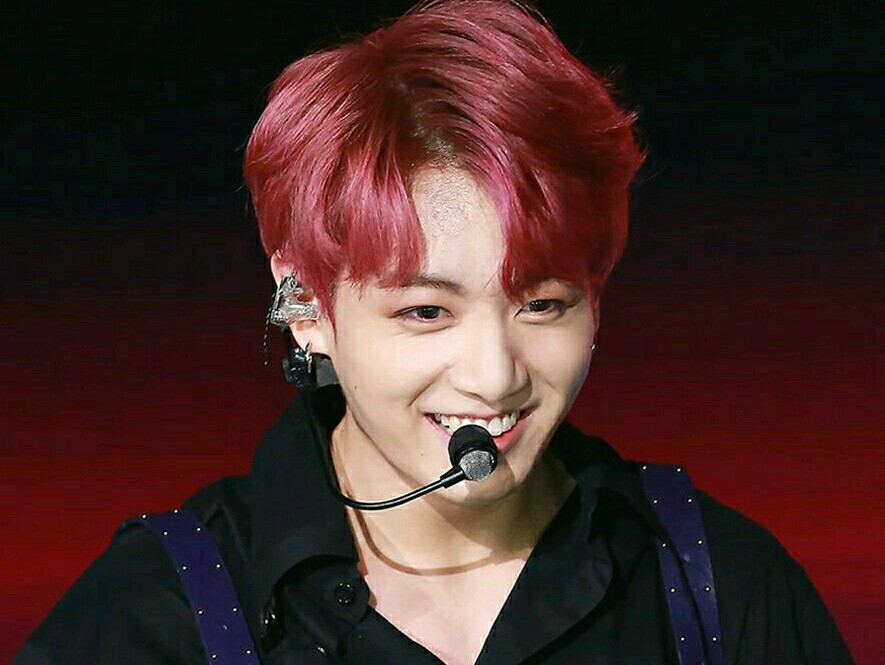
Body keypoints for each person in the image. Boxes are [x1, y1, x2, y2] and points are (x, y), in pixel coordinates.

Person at [14, 1, 855, 664]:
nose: (493, 376)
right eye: (425, 311)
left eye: (542, 304)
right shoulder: (158, 611)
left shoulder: (717, 587)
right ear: (304, 306)